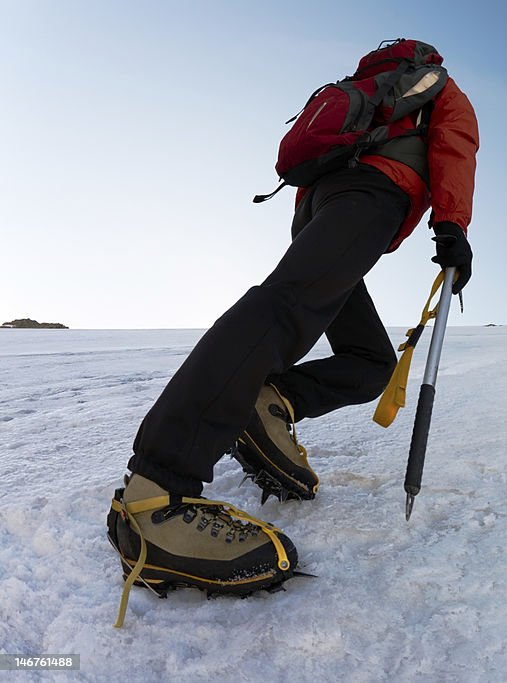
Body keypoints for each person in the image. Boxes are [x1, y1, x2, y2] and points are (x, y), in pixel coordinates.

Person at [106, 39, 478, 622]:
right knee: (284, 310)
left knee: (370, 358)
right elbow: (455, 146)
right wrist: (453, 224)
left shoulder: (367, 88)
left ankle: (269, 398)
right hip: (373, 196)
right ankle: (158, 490)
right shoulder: (438, 87)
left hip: (321, 205)